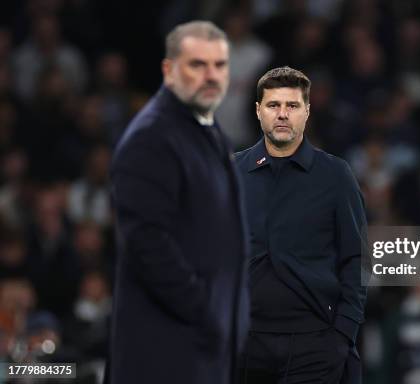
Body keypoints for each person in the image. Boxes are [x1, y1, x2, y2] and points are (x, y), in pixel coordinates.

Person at [109, 21, 249, 384]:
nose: (211, 76)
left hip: (203, 349)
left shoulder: (208, 132)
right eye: (197, 65)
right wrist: (204, 311)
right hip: (165, 352)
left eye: (219, 65)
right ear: (169, 70)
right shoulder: (152, 137)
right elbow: (147, 241)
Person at [235, 66, 367, 383]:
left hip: (316, 345)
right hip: (242, 345)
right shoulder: (230, 173)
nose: (282, 114)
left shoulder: (335, 175)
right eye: (273, 105)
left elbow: (358, 257)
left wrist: (343, 334)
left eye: (292, 106)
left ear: (307, 112)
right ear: (258, 111)